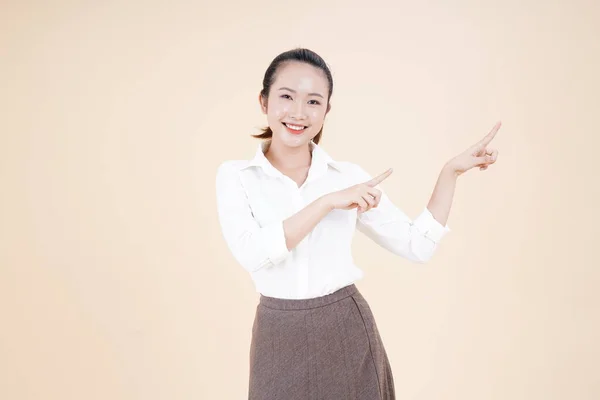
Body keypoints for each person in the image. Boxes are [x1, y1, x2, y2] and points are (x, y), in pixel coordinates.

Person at [215, 48, 500, 400]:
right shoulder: (236, 176)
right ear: (264, 101)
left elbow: (417, 245)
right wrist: (326, 203)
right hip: (277, 332)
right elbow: (254, 254)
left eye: (314, 102)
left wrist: (450, 173)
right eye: (286, 96)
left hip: (345, 330)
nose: (299, 113)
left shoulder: (347, 177)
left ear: (326, 111)